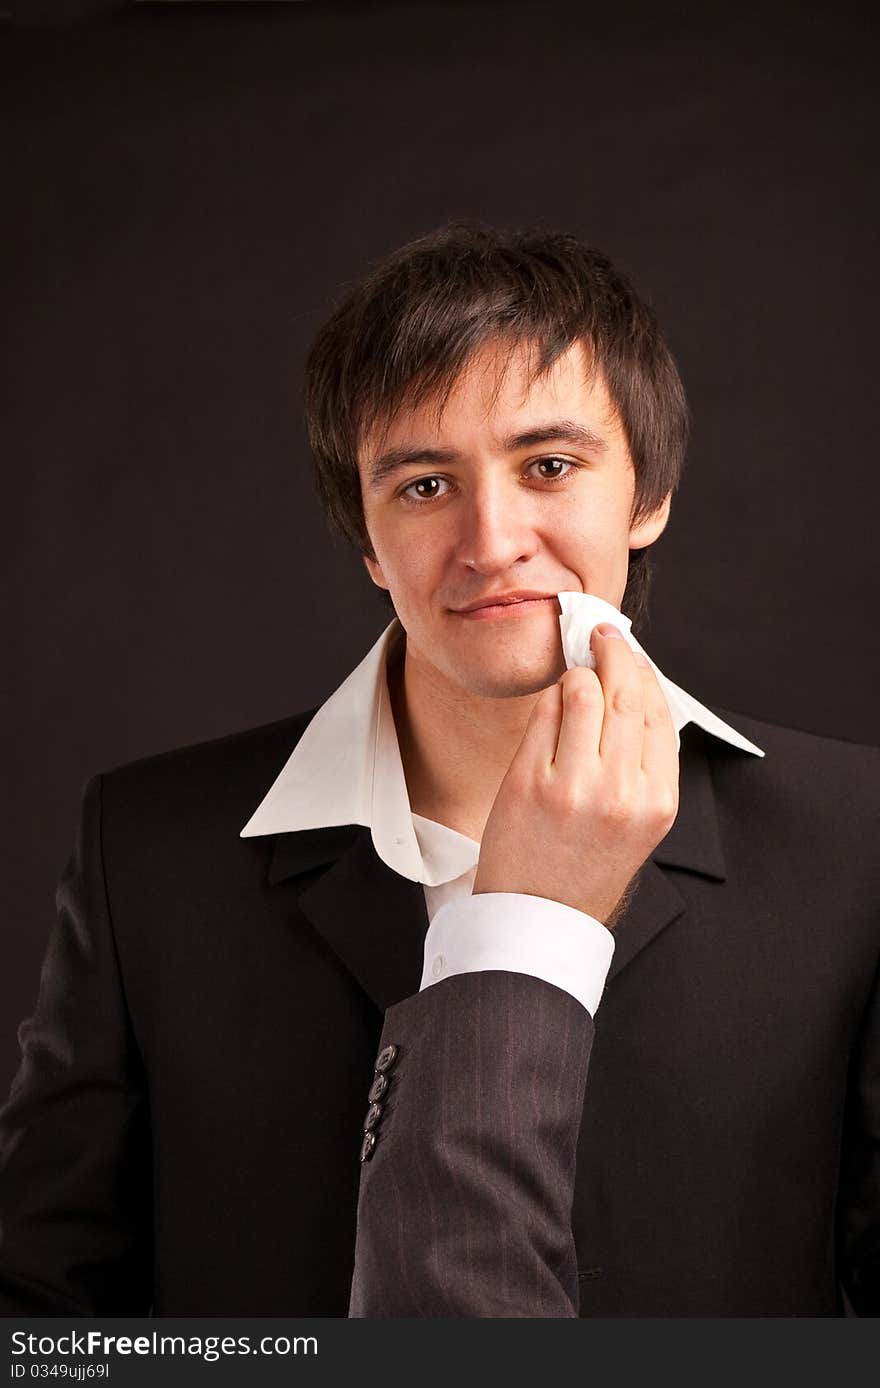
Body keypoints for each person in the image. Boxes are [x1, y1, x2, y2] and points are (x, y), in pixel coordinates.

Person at [0, 223, 877, 1318]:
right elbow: (44, 1313)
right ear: (367, 539)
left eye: (548, 466)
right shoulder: (148, 845)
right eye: (422, 485)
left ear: (646, 496)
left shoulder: (855, 836)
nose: (490, 537)